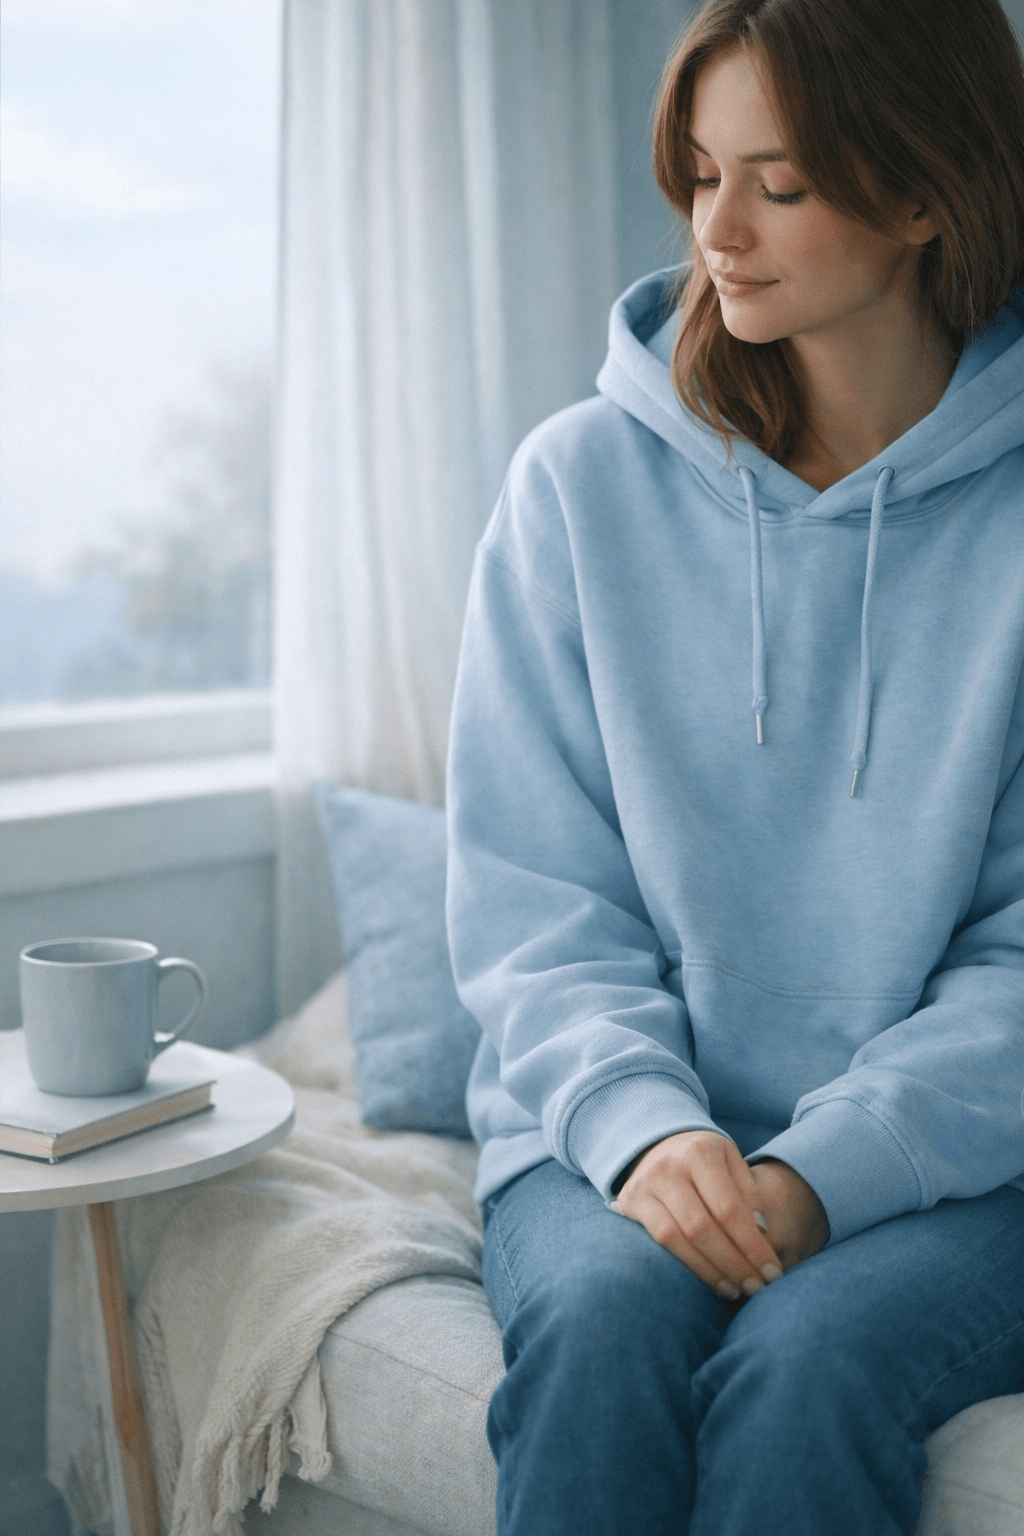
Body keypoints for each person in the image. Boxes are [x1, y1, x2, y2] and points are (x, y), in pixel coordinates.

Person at [444, 0, 1024, 1531]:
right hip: (613, 1128)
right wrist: (650, 1125)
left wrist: (822, 1170)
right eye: (700, 174)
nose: (719, 229)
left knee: (809, 1357)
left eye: (779, 182)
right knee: (604, 1325)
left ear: (921, 191)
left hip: (966, 1158)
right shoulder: (576, 487)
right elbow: (534, 902)